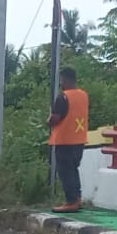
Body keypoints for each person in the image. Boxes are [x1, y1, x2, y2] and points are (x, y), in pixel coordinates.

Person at [48, 66, 90, 213]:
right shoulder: (84, 95)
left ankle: (71, 202)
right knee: (73, 169)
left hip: (65, 140)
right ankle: (77, 198)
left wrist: (49, 121)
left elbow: (55, 118)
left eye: (61, 79)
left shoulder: (63, 97)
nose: (60, 83)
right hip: (79, 139)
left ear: (65, 79)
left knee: (65, 172)